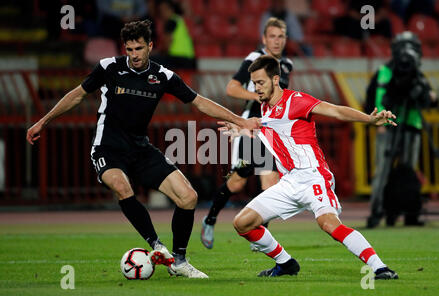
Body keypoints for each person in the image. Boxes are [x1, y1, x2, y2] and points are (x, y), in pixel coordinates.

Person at [26, 20, 260, 279]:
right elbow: (77, 95)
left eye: (138, 48)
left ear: (150, 46)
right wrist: (43, 121)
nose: (134, 55)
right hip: (108, 148)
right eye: (129, 49)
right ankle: (157, 245)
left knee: (189, 197)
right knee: (121, 185)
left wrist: (240, 121)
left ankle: (179, 262)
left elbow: (199, 102)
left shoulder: (163, 76)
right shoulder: (108, 67)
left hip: (140, 149)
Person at [219, 55, 399, 279]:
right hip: (289, 182)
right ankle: (285, 263)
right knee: (242, 223)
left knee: (328, 224)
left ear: (276, 80)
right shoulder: (264, 108)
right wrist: (243, 131)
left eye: (260, 82)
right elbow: (273, 133)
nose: (256, 88)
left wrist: (369, 120)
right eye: (254, 83)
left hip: (314, 177)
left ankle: (380, 268)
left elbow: (335, 111)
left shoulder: (296, 101)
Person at [200, 17, 293, 250]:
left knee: (270, 183)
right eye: (272, 36)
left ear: (285, 39)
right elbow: (232, 88)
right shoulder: (254, 59)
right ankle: (209, 219)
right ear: (263, 38)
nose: (276, 41)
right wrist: (259, 96)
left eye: (280, 36)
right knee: (237, 182)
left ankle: (260, 236)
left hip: (269, 130)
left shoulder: (287, 65)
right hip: (250, 129)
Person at [366, 31, 437, 228]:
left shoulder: (415, 73)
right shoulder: (384, 72)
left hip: (411, 126)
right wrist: (375, 121)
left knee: (407, 171)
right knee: (382, 171)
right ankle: (376, 212)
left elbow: (428, 100)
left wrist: (431, 97)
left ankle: (409, 212)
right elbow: (371, 99)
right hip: (386, 128)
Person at [151, 0, 196, 70]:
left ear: (171, 9)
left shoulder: (171, 22)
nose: (162, 13)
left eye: (164, 10)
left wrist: (157, 52)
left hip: (178, 59)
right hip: (188, 58)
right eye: (161, 11)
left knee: (151, 61)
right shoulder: (179, 20)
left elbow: (167, 44)